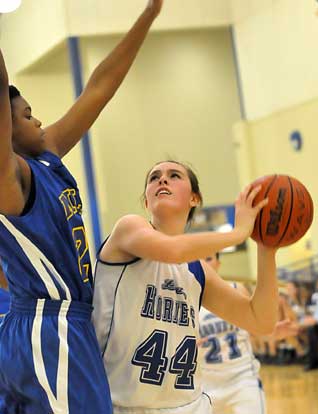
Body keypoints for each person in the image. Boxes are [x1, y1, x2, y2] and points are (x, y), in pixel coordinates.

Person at [0, 1, 163, 413]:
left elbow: (99, 87)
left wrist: (149, 14)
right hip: (49, 327)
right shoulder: (11, 181)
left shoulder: (47, 157)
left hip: (62, 324)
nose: (38, 122)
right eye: (27, 116)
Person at [92, 160, 279, 413]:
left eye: (174, 175)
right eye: (154, 177)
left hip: (188, 406)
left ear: (194, 199)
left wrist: (266, 248)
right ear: (146, 202)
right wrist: (238, 233)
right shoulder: (128, 229)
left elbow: (260, 320)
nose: (162, 179)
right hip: (121, 405)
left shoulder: (197, 270)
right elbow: (173, 250)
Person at [199, 253, 299, 414]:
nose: (203, 262)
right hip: (204, 385)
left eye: (209, 258)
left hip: (242, 378)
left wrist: (270, 332)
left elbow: (253, 328)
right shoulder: (187, 296)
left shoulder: (236, 289)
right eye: (199, 258)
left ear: (218, 263)